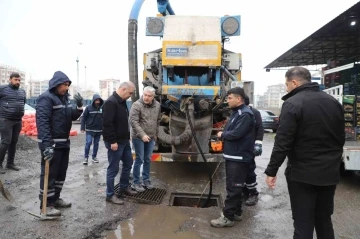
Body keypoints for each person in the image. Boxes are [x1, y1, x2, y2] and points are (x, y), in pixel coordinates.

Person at [264, 66, 345, 239]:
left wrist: (272, 170)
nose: (286, 89)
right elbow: (340, 138)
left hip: (302, 175)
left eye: (286, 85)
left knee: (303, 222)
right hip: (329, 174)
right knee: (324, 220)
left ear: (294, 82)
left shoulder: (292, 103)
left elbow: (282, 142)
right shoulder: (333, 102)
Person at [36, 71, 84, 216]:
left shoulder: (65, 99)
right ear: (56, 84)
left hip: (64, 143)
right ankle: (46, 204)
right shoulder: (46, 98)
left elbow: (72, 116)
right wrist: (46, 145)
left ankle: (55, 199)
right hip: (52, 144)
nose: (67, 88)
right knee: (49, 174)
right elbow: (42, 123)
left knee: (60, 174)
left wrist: (79, 107)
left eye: (68, 85)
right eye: (64, 85)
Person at [210, 87, 255, 228]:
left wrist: (222, 135)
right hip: (234, 156)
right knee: (236, 187)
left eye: (230, 98)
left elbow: (236, 133)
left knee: (233, 188)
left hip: (238, 157)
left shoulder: (245, 114)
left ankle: (228, 217)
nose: (227, 100)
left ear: (239, 99)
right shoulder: (236, 113)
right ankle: (236, 212)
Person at [103, 81, 138, 205]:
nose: (130, 95)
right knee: (113, 169)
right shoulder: (110, 102)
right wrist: (112, 141)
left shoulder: (122, 103)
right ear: (123, 89)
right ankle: (110, 195)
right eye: (130, 93)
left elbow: (123, 122)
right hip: (115, 142)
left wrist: (127, 137)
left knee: (128, 163)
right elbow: (107, 124)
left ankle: (124, 187)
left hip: (124, 141)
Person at [129, 86, 161, 192]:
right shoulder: (136, 105)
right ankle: (136, 182)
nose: (146, 98)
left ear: (153, 97)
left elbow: (158, 120)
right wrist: (142, 135)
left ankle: (146, 180)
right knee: (139, 159)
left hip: (151, 137)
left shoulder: (157, 106)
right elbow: (133, 121)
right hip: (138, 137)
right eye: (145, 95)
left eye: (149, 96)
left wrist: (155, 135)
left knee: (147, 159)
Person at [0, 72, 26, 174]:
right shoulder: (2, 89)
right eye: (16, 80)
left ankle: (10, 163)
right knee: (5, 142)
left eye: (19, 80)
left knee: (14, 142)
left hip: (17, 120)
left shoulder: (22, 92)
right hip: (5, 120)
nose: (18, 82)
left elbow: (23, 103)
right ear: (10, 79)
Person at [243, 95, 264, 206]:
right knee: (239, 172)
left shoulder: (254, 112)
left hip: (249, 147)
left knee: (249, 170)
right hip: (239, 148)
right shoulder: (237, 112)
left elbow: (260, 128)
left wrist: (258, 143)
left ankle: (252, 193)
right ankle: (244, 191)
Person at [81, 94, 104, 165]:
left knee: (96, 144)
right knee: (88, 143)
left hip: (99, 130)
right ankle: (86, 158)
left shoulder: (102, 108)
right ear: (94, 100)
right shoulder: (88, 108)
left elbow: (105, 118)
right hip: (89, 129)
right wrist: (82, 127)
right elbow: (83, 118)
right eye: (96, 100)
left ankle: (94, 157)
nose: (97, 102)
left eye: (99, 100)